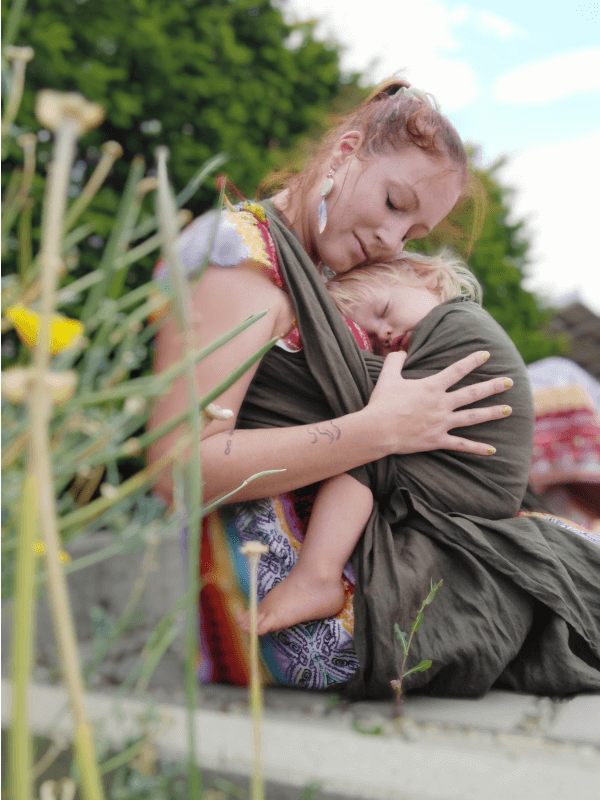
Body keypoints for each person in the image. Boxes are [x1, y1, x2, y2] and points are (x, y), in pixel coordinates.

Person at [149, 80, 599, 695]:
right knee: (552, 586)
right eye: (393, 202)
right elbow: (177, 467)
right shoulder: (243, 259)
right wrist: (378, 430)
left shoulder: (317, 276)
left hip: (331, 569)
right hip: (278, 604)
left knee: (559, 560)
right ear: (346, 151)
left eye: (413, 233)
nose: (393, 239)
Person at [238, 249, 484, 635]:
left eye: (384, 309)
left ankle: (318, 575)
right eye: (370, 337)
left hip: (457, 481)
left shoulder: (462, 334)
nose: (384, 334)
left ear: (425, 278)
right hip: (411, 493)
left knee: (363, 446)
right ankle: (319, 576)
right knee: (362, 438)